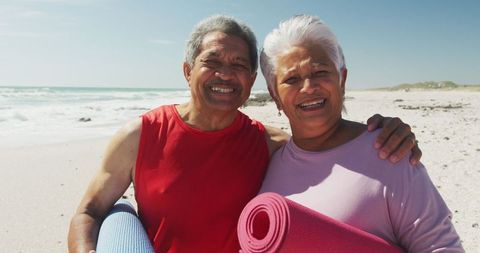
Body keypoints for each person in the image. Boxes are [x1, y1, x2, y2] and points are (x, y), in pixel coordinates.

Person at [68, 15, 422, 253]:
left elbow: (334, 148)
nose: (226, 74)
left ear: (252, 81)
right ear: (188, 70)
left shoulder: (271, 144)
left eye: (239, 66)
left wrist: (385, 132)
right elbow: (88, 212)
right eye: (213, 62)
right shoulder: (140, 136)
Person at [258, 15, 463, 252]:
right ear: (275, 96)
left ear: (342, 79)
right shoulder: (271, 160)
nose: (309, 87)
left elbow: (442, 247)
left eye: (320, 72)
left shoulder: (389, 151)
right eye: (291, 79)